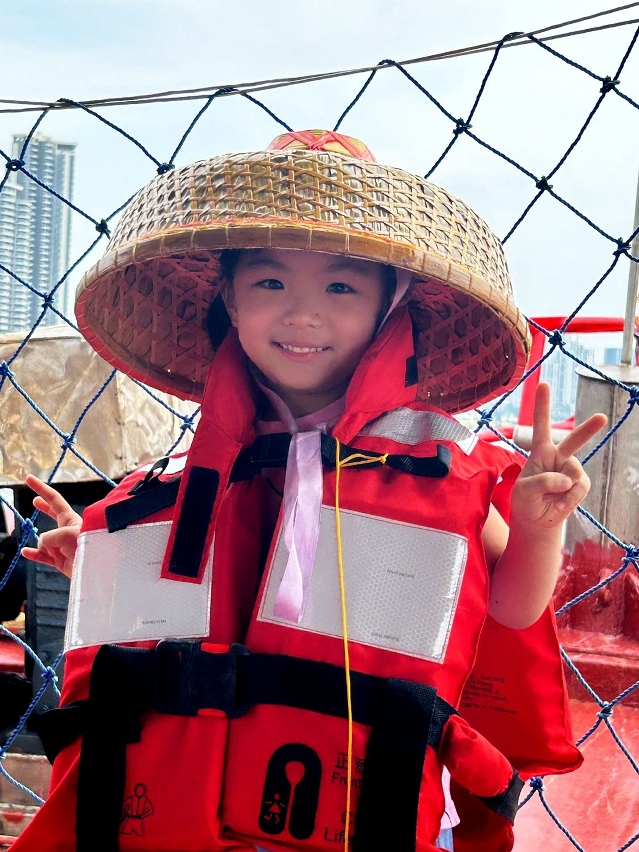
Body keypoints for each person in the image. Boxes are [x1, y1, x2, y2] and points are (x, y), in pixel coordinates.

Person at [13, 130, 605, 852]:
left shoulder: (433, 464)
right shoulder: (201, 464)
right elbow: (201, 595)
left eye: (340, 287)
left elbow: (511, 607)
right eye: (270, 284)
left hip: (366, 799)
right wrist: (105, 560)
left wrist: (538, 526)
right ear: (229, 301)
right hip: (194, 807)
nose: (302, 314)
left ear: (390, 308)